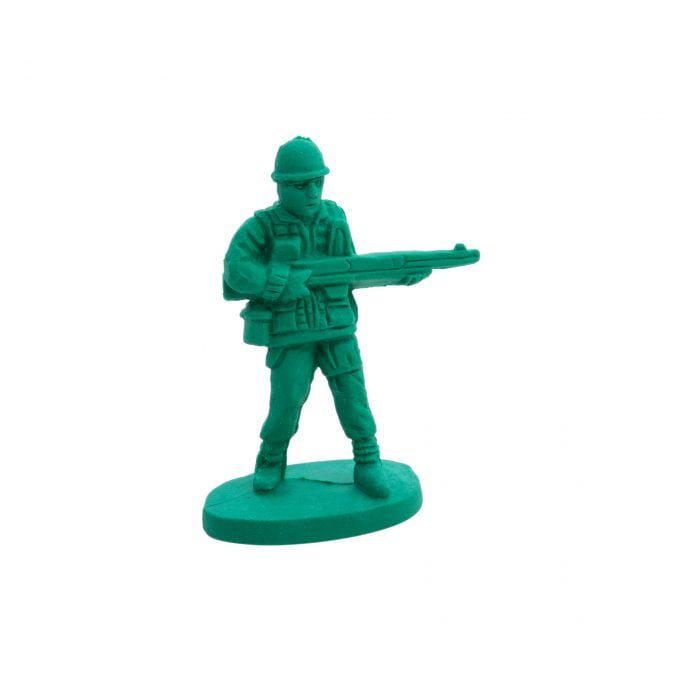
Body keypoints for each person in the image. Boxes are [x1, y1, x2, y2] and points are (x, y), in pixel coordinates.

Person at [223, 137, 392, 497]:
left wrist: (395, 275)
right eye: (301, 185)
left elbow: (350, 269)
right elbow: (236, 269)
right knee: (286, 403)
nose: (313, 192)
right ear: (281, 185)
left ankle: (367, 459)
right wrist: (277, 283)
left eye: (318, 182)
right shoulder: (263, 226)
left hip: (335, 328)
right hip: (292, 332)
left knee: (354, 398)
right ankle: (271, 459)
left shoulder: (335, 217)